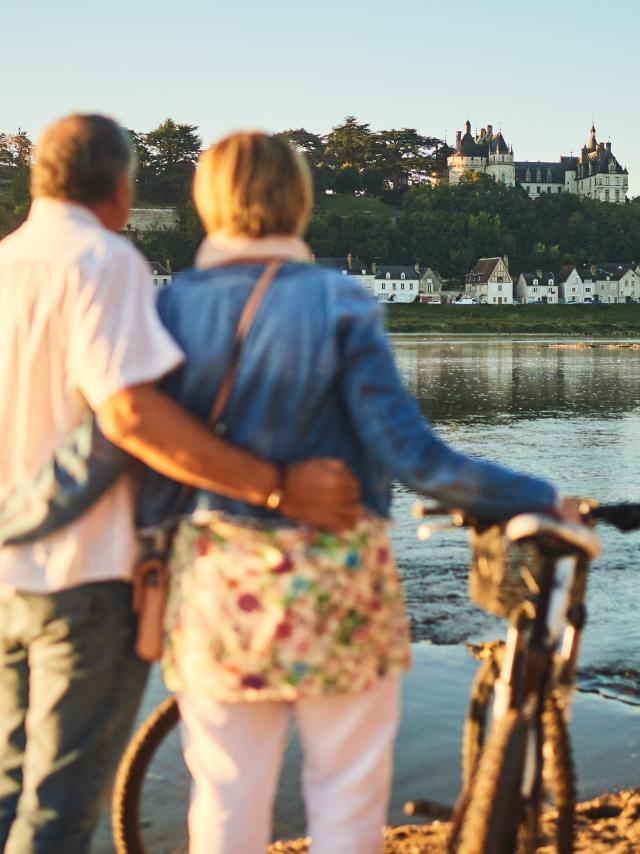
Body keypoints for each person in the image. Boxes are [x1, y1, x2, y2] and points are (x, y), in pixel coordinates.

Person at [128, 131, 579, 854]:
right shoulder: (341, 302)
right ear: (299, 200)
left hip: (219, 579)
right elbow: (414, 457)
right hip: (336, 579)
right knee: (346, 792)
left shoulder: (168, 306)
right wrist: (535, 494)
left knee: (223, 794)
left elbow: (147, 456)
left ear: (206, 202)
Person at [0, 114, 360, 854]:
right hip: (85, 573)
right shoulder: (105, 261)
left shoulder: (4, 263)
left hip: (4, 575)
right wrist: (279, 487)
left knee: (7, 789)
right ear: (120, 186)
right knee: (60, 806)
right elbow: (130, 413)